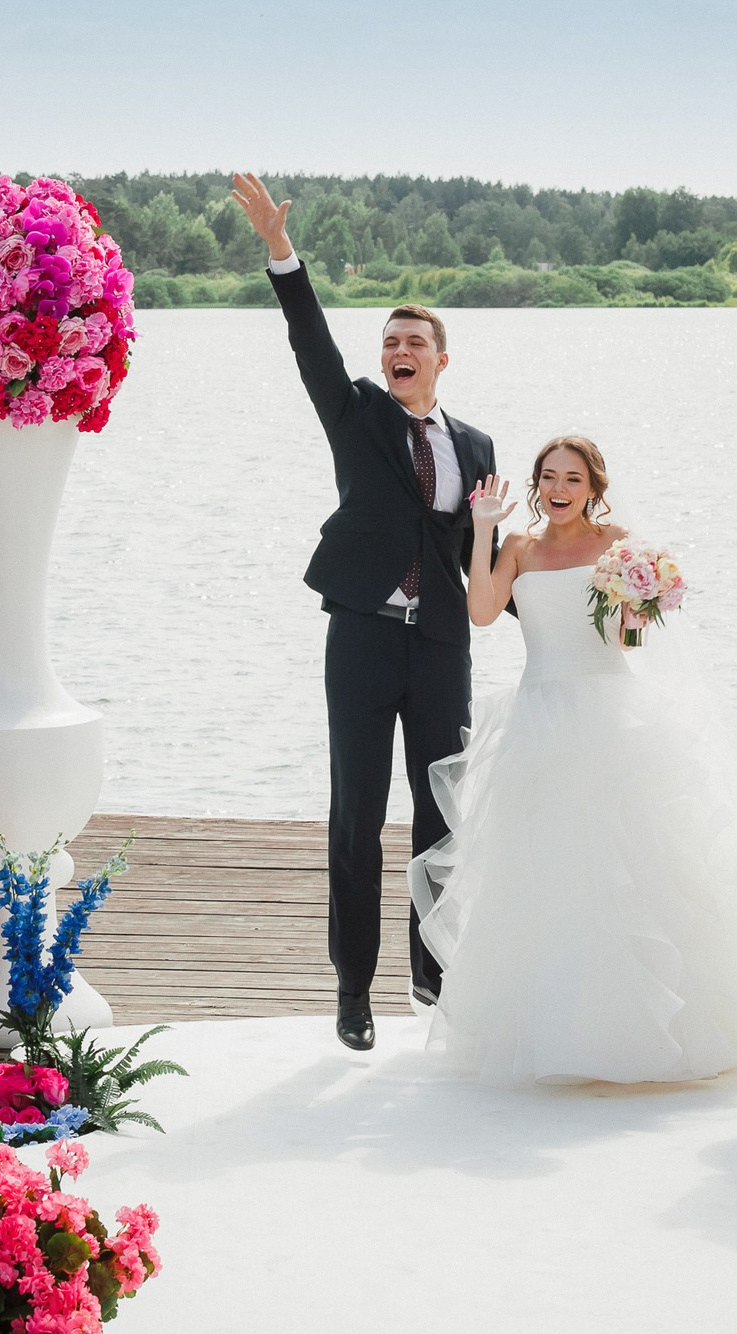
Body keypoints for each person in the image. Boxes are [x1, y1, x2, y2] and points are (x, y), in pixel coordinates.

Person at [407, 436, 737, 1084]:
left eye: (572, 477)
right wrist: (484, 530)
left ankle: (660, 1030)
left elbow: (626, 641)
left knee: (636, 864)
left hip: (610, 714)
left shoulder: (617, 543)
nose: (559, 488)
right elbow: (484, 614)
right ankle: (557, 1032)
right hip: (539, 715)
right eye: (549, 477)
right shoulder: (518, 546)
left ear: (593, 486)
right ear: (538, 484)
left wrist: (644, 598)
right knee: (545, 868)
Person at [231, 171, 499, 1050]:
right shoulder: (355, 416)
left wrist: (583, 600)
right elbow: (309, 339)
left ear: (441, 358)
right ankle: (354, 991)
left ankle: (435, 970)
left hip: (443, 647)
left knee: (444, 813)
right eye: (390, 340)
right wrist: (281, 252)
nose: (399, 349)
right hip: (362, 636)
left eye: (414, 339)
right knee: (357, 813)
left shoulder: (476, 445)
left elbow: (479, 553)